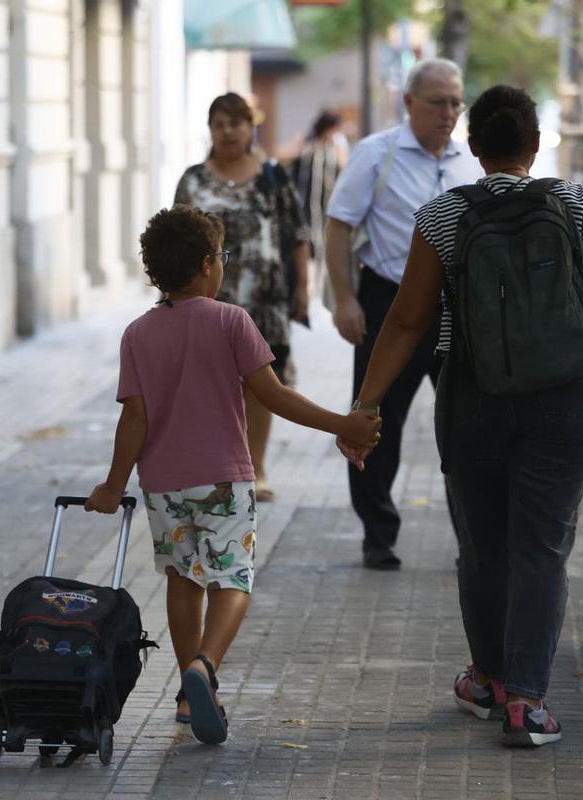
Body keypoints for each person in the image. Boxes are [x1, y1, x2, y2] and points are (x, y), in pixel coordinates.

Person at [341, 85, 583, 746]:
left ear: (473, 146)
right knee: (540, 547)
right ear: (535, 146)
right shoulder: (572, 202)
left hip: (473, 397)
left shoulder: (444, 214)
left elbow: (405, 319)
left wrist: (366, 405)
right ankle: (529, 704)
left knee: (482, 548)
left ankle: (488, 680)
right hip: (562, 403)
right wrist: (579, 334)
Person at [84, 205, 381, 745]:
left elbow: (135, 417)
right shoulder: (231, 321)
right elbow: (273, 395)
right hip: (224, 479)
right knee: (233, 579)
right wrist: (344, 423)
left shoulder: (137, 334)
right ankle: (205, 666)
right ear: (206, 265)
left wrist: (111, 484)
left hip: (163, 484)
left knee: (182, 580)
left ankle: (185, 691)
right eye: (220, 257)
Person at [324, 58, 483, 570]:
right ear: (410, 102)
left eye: (456, 102)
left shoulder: (471, 160)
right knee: (374, 419)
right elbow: (339, 226)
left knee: (468, 422)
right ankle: (378, 532)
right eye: (438, 102)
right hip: (388, 303)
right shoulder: (378, 154)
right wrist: (344, 298)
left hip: (457, 309)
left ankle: (474, 537)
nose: (449, 112)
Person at [175, 92, 311, 504]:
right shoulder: (194, 179)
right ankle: (218, 468)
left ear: (250, 126)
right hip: (206, 303)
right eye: (219, 124)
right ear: (210, 130)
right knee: (210, 385)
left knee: (262, 386)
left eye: (235, 122)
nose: (228, 131)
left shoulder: (273, 175)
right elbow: (175, 239)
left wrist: (302, 287)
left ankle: (256, 468)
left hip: (265, 299)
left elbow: (298, 234)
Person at [291, 109, 348, 289]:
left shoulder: (336, 149)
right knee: (308, 244)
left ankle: (321, 287)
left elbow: (344, 172)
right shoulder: (307, 145)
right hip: (306, 206)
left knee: (326, 246)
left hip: (328, 208)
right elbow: (287, 160)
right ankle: (306, 285)